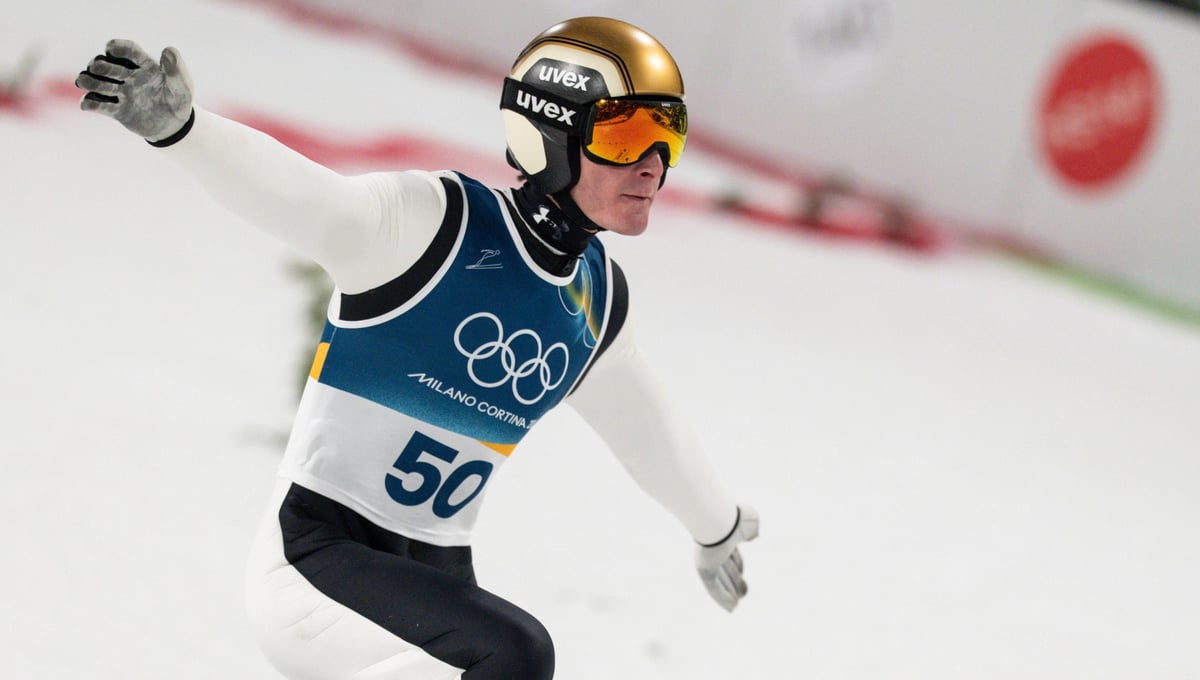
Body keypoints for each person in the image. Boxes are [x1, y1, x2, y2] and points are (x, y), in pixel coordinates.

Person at [76, 16, 758, 680]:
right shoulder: (436, 226)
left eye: (669, 133)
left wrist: (715, 528)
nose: (654, 164)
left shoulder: (596, 301)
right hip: (314, 563)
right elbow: (300, 196)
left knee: (506, 655)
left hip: (433, 580)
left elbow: (647, 432)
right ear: (551, 132)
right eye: (627, 134)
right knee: (515, 655)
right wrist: (184, 130)